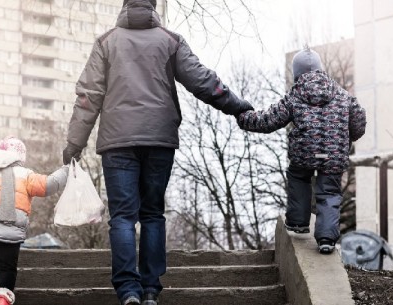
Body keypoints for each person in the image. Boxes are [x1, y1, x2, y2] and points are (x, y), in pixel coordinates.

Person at [62, 0, 253, 304]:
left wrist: (74, 143)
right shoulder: (170, 41)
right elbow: (203, 81)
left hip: (118, 141)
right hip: (159, 138)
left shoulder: (106, 42)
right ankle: (150, 289)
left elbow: (88, 97)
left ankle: (127, 291)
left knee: (123, 216)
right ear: (153, 7)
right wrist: (237, 107)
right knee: (152, 213)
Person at [236, 47, 367, 254]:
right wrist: (348, 137)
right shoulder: (342, 94)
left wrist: (244, 118)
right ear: (321, 69)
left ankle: (298, 222)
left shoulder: (295, 95)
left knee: (299, 177)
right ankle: (326, 239)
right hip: (334, 155)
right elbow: (359, 121)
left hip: (303, 153)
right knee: (330, 192)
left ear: (297, 73)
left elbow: (269, 120)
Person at [0, 136, 68, 305]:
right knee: (6, 267)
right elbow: (48, 185)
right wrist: (66, 170)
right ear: (20, 157)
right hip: (9, 229)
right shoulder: (25, 174)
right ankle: (2, 299)